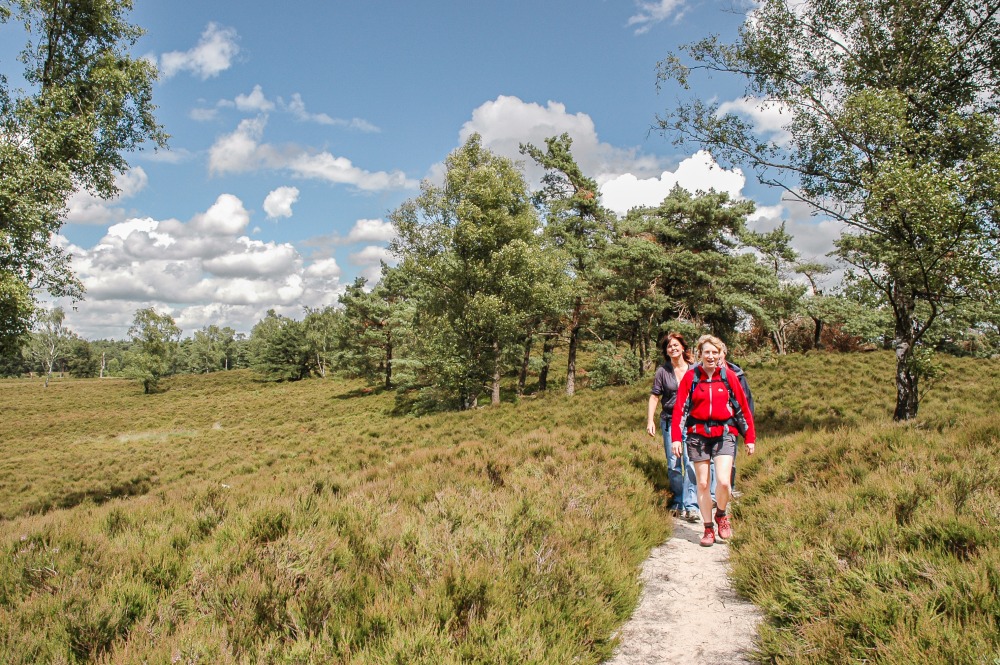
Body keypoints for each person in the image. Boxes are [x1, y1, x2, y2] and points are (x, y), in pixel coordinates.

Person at [671, 335, 756, 547]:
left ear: (720, 355)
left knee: (724, 481)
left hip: (724, 433)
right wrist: (676, 439)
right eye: (707, 352)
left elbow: (742, 408)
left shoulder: (729, 377)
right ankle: (708, 528)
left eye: (715, 352)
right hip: (697, 435)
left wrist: (749, 437)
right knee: (702, 483)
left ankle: (721, 514)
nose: (711, 356)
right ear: (700, 354)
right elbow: (680, 409)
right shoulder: (691, 378)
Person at [646, 332, 699, 522]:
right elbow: (655, 396)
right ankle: (678, 500)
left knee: (691, 462)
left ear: (683, 347)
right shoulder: (663, 371)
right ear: (666, 351)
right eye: (669, 346)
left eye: (676, 345)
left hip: (692, 422)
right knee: (673, 464)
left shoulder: (695, 369)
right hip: (669, 421)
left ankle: (691, 505)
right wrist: (650, 420)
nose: (673, 348)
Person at [709, 342, 755, 502]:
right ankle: (713, 495)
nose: (715, 356)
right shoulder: (702, 373)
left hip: (731, 424)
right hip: (708, 425)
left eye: (718, 352)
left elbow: (746, 401)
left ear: (724, 353)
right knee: (711, 462)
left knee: (730, 460)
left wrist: (747, 431)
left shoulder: (737, 374)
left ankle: (729, 489)